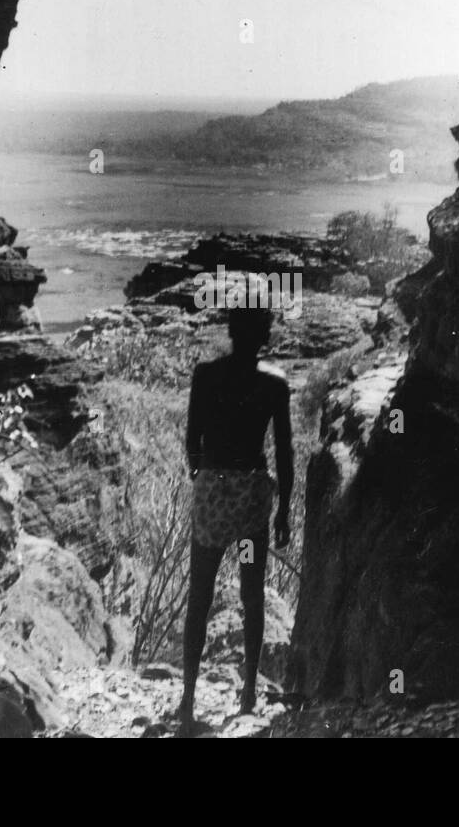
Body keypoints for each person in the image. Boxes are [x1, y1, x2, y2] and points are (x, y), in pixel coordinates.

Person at [179, 305, 293, 728]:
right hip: (249, 496)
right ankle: (247, 693)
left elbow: (192, 437)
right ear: (264, 337)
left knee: (200, 595)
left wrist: (203, 474)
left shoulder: (205, 375)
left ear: (230, 332)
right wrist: (283, 510)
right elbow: (283, 449)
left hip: (213, 494)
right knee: (251, 594)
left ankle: (188, 699)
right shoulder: (274, 384)